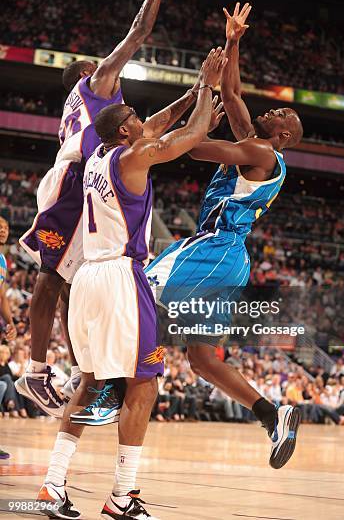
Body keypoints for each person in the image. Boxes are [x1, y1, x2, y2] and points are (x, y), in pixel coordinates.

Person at [82, 3, 303, 470]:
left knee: (145, 293)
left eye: (282, 113)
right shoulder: (254, 144)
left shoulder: (260, 151)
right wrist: (234, 41)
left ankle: (112, 388)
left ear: (282, 136)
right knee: (202, 359)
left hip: (215, 247)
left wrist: (164, 136)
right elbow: (235, 90)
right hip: (228, 258)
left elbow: (195, 145)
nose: (275, 109)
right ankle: (272, 414)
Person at [37, 48, 227, 519]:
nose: (143, 120)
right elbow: (193, 134)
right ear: (125, 130)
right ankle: (122, 496)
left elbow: (161, 122)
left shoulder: (101, 154)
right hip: (122, 276)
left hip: (85, 278)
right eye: (136, 117)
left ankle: (51, 486)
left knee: (92, 382)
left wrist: (192, 94)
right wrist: (209, 85)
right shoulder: (135, 154)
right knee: (144, 384)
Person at [15, 0, 183, 417]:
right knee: (53, 276)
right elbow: (137, 32)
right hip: (74, 187)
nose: (109, 68)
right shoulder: (95, 86)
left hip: (82, 184)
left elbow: (145, 130)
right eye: (100, 65)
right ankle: (36, 370)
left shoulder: (85, 112)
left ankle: (79, 373)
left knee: (74, 279)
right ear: (88, 75)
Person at [0, 217, 17, 343]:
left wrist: (10, 322)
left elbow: (2, 297)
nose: (3, 231)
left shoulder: (3, 260)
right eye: (0, 227)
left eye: (6, 228)